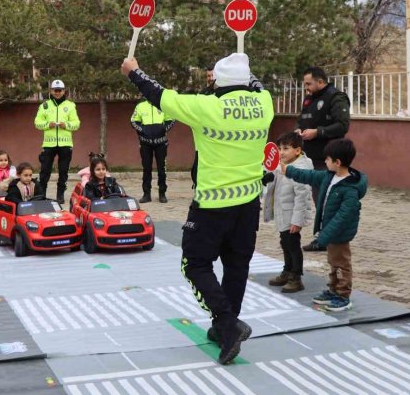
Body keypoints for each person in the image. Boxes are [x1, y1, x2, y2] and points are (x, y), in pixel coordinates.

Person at [121, 52, 273, 365]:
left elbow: (160, 96)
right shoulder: (265, 103)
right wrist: (243, 61)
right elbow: (256, 83)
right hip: (248, 202)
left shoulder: (207, 107)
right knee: (236, 265)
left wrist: (134, 72)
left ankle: (228, 324)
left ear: (218, 81)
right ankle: (224, 326)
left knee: (195, 264)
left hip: (213, 204)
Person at [281, 138, 367, 312]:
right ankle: (333, 290)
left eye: (327, 159)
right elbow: (309, 176)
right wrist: (288, 170)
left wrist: (323, 238)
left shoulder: (350, 189)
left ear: (338, 162)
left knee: (342, 264)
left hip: (339, 234)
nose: (325, 162)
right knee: (333, 262)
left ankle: (343, 296)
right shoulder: (330, 176)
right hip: (330, 232)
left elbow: (342, 218)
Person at [296, 66, 350, 252]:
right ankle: (325, 236)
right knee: (318, 198)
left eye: (309, 83)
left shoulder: (336, 97)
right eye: (305, 84)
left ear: (321, 81)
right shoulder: (309, 98)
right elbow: (304, 120)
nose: (306, 88)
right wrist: (300, 131)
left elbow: (342, 126)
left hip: (329, 159)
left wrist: (318, 132)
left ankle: (327, 238)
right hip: (312, 158)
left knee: (327, 199)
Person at [262, 132, 313, 293]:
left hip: (291, 216)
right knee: (285, 243)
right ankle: (287, 271)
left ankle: (296, 277)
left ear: (297, 151)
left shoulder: (300, 170)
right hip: (282, 213)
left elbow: (303, 198)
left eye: (286, 148)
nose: (281, 152)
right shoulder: (281, 164)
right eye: (279, 148)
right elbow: (273, 183)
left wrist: (297, 221)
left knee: (293, 246)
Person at [34, 79, 81, 203]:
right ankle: (41, 194)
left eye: (60, 90)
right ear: (51, 91)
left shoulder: (70, 106)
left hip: (65, 143)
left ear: (64, 91)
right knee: (44, 171)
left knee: (63, 171)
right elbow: (37, 123)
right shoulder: (44, 106)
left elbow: (76, 124)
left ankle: (60, 195)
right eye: (55, 90)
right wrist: (47, 124)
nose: (58, 93)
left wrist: (66, 125)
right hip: (49, 144)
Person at [131, 98, 175, 203]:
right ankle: (146, 194)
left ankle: (162, 193)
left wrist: (163, 128)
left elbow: (172, 119)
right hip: (145, 143)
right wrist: (142, 130)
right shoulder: (140, 106)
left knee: (162, 168)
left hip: (161, 143)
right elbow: (133, 120)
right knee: (146, 168)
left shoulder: (163, 105)